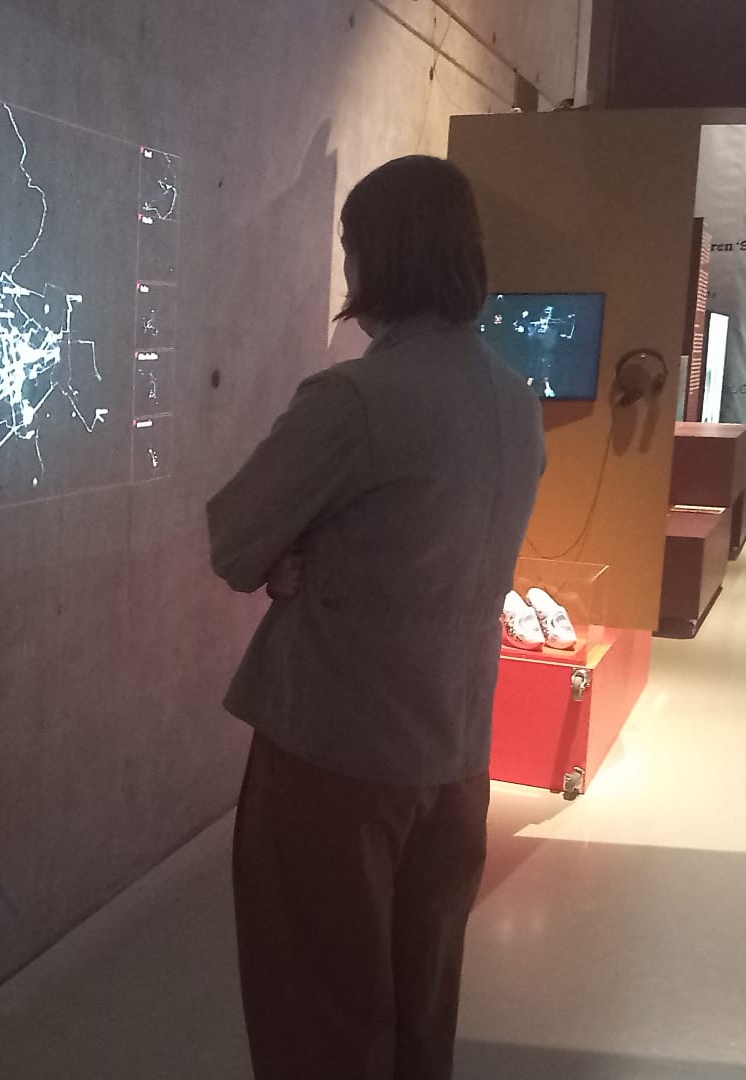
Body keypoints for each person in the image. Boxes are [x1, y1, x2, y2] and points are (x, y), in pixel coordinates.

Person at [206, 155, 546, 1080]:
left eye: (352, 245)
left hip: (335, 757)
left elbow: (234, 542)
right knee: (420, 1005)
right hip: (456, 752)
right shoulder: (515, 402)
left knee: (321, 1013)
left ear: (375, 257)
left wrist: (297, 555)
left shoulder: (355, 400)